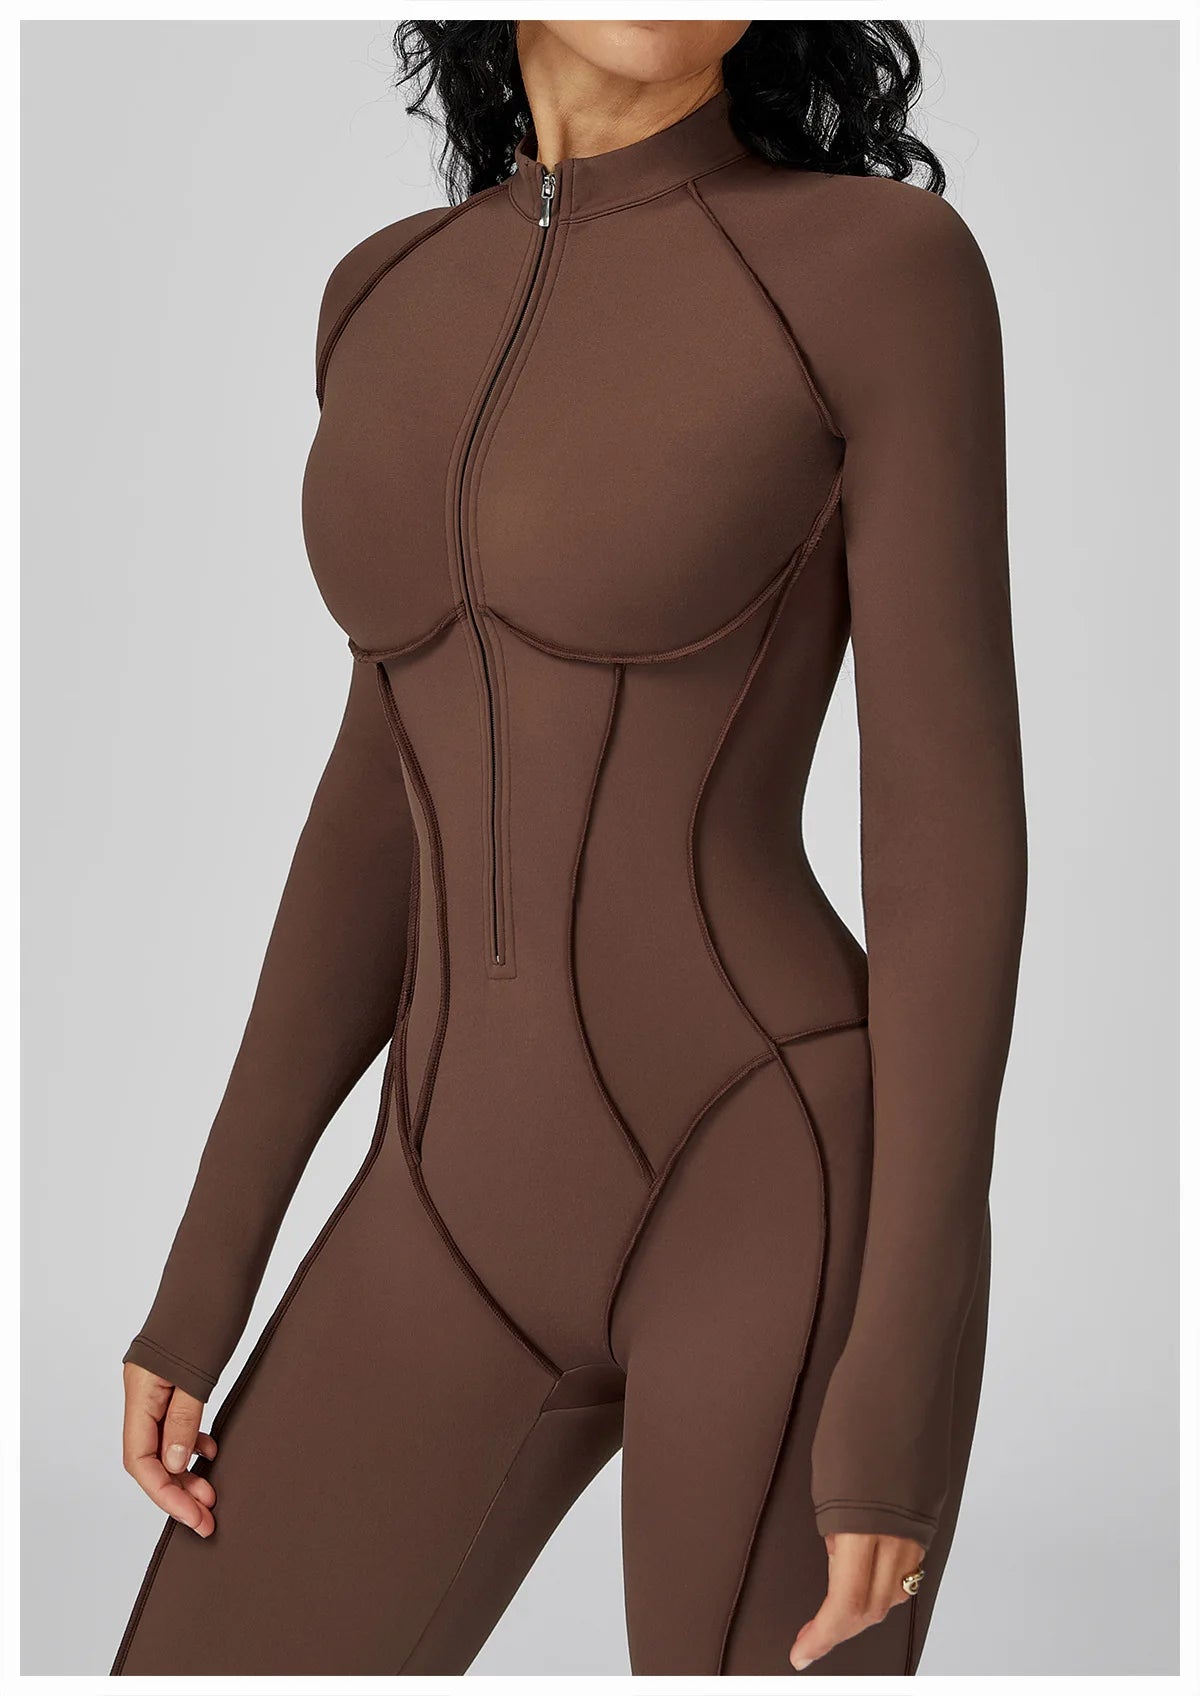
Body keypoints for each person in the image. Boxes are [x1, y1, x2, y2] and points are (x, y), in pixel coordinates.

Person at [112, 18, 1027, 1677]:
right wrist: (204, 1275)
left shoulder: (878, 270)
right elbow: (375, 809)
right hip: (440, 1212)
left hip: (771, 1182)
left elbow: (946, 828)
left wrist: (898, 1372)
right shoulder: (382, 296)